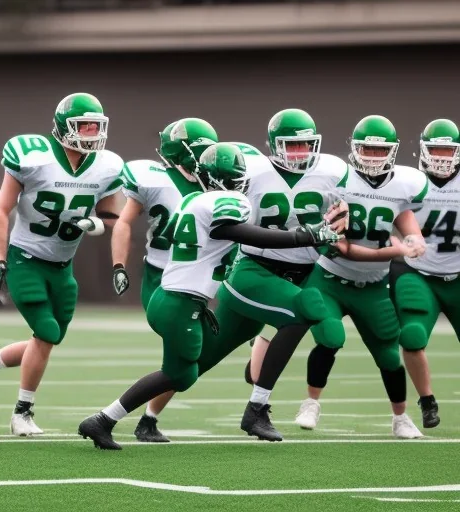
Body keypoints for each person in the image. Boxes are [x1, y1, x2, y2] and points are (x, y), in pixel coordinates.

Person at [78, 142, 342, 450]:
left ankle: (108, 420)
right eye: (236, 178)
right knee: (181, 373)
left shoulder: (192, 200)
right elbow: (244, 234)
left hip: (174, 298)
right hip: (181, 304)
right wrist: (305, 236)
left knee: (184, 372)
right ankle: (102, 420)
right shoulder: (225, 203)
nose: (240, 184)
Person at [140, 109, 350, 442]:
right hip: (255, 270)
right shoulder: (250, 169)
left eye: (306, 145)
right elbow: (219, 200)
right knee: (196, 363)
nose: (300, 153)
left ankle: (267, 376)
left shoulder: (335, 170)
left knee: (331, 334)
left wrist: (344, 215)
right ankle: (152, 417)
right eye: (291, 146)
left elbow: (347, 208)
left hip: (302, 274)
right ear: (273, 145)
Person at [0, 92, 124, 436]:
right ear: (63, 127)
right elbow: (2, 209)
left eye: (96, 125)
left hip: (63, 265)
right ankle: (22, 412)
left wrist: (99, 223)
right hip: (25, 258)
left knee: (48, 339)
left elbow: (113, 215)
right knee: (46, 333)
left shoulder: (107, 165)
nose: (91, 132)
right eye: (84, 125)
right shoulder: (33, 156)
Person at [293, 115, 427, 439]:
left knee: (388, 354)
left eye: (379, 152)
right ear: (354, 149)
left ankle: (401, 418)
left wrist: (414, 240)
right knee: (330, 336)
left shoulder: (404, 185)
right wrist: (394, 252)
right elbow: (342, 248)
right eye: (366, 149)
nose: (372, 157)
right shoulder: (338, 180)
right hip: (330, 278)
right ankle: (310, 403)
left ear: (392, 152)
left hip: (373, 286)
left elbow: (407, 221)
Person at [112, 118, 219, 442]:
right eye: (201, 152)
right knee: (183, 365)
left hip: (194, 279)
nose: (206, 158)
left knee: (187, 362)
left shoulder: (213, 184)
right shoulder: (155, 179)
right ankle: (110, 417)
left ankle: (147, 419)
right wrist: (119, 265)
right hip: (161, 278)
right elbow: (123, 223)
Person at [389, 118, 460, 429]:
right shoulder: (407, 182)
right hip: (417, 272)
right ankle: (427, 400)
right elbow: (379, 225)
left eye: (448, 150)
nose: (443, 157)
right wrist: (398, 244)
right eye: (437, 150)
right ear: (423, 150)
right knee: (413, 335)